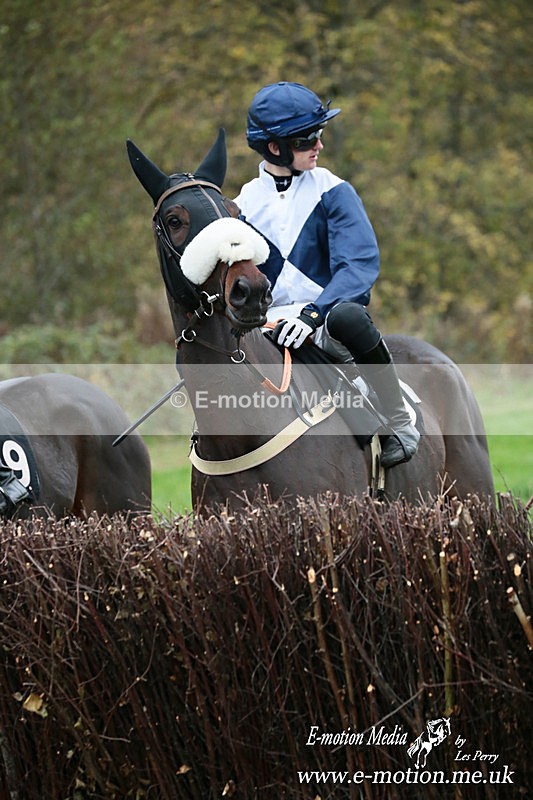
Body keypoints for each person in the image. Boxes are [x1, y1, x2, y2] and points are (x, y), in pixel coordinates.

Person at [235, 81, 419, 468]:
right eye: (307, 139)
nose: (319, 145)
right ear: (275, 148)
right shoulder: (241, 205)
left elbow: (358, 266)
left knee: (350, 316)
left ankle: (399, 421)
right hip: (265, 328)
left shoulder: (334, 190)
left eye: (319, 134)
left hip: (325, 321)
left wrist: (312, 314)